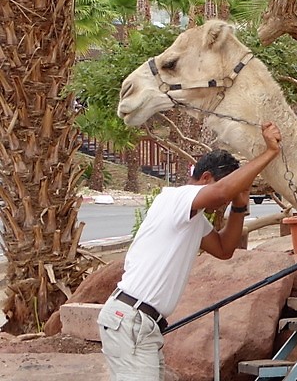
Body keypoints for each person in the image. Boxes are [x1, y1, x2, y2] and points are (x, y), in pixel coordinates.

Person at [97, 122, 282, 380]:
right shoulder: (177, 197)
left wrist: (239, 207)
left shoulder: (194, 218)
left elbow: (224, 249)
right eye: (228, 187)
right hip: (131, 318)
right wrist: (270, 153)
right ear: (205, 178)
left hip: (143, 323)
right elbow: (220, 193)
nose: (228, 197)